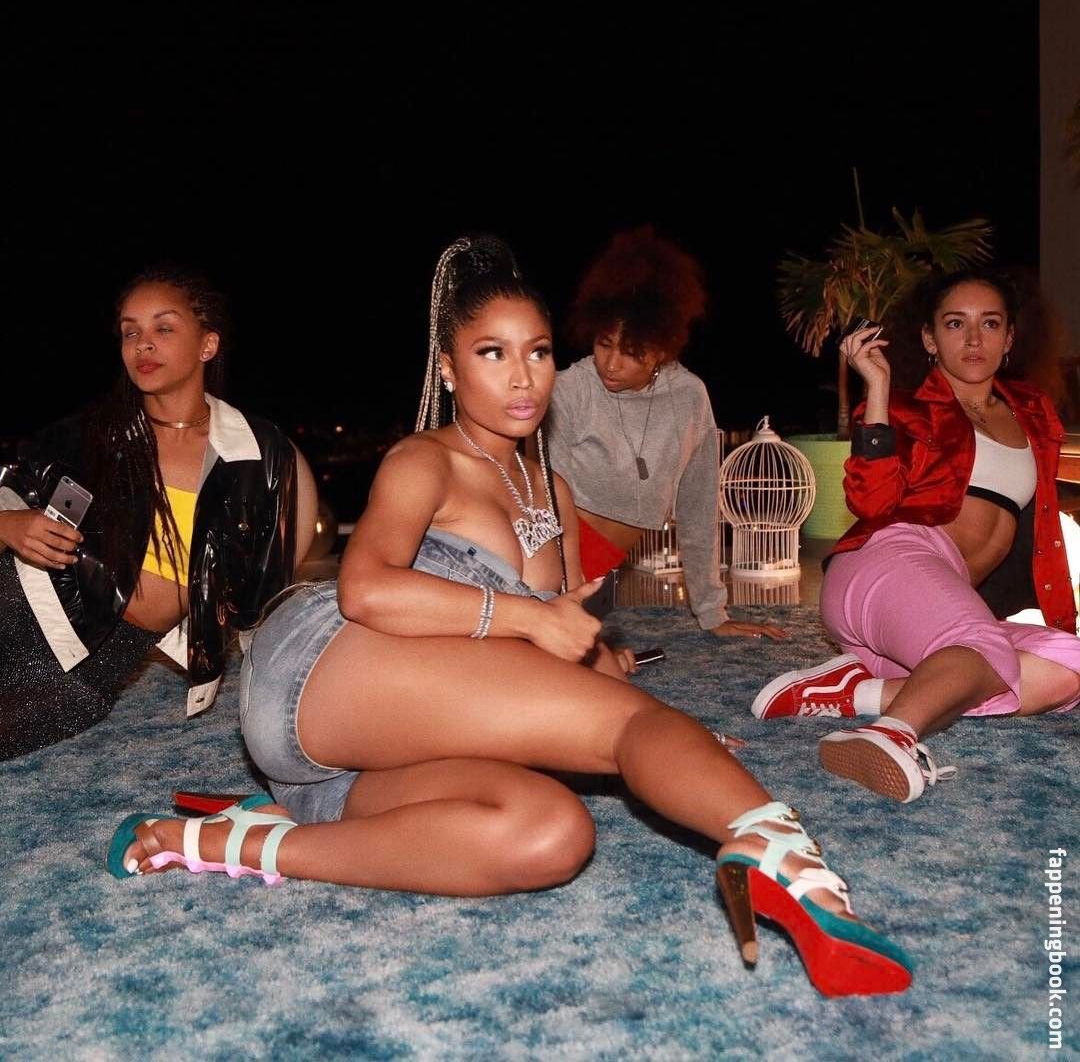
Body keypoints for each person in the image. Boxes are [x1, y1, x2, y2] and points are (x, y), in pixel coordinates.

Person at [108, 236, 911, 997]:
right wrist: (544, 639)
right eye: (492, 353)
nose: (523, 377)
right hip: (318, 676)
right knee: (625, 728)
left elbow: (564, 641)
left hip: (359, 773)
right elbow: (366, 591)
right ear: (450, 368)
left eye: (538, 351)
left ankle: (244, 840)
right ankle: (787, 864)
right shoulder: (426, 460)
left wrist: (651, 720)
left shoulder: (554, 492)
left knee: (552, 834)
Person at [751, 268, 1080, 802]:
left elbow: (1041, 521)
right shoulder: (907, 409)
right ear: (929, 338)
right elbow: (870, 503)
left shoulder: (1032, 411)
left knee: (1067, 666)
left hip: (932, 605)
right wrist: (878, 390)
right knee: (983, 650)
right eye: (955, 323)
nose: (973, 339)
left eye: (989, 323)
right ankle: (892, 734)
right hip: (885, 562)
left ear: (1009, 338)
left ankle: (856, 693)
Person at [0, 266, 316, 758]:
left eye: (163, 328)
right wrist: (7, 523)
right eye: (131, 332)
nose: (143, 344)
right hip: (18, 604)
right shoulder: (86, 435)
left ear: (207, 345)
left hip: (91, 672)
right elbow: (11, 491)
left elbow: (269, 589)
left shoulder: (263, 458)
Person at [543, 227, 783, 640]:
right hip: (548, 564)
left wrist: (712, 613)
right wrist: (561, 599)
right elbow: (544, 504)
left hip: (598, 577)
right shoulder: (569, 391)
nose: (611, 364)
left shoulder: (689, 398)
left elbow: (698, 509)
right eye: (604, 344)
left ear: (662, 350)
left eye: (631, 352)